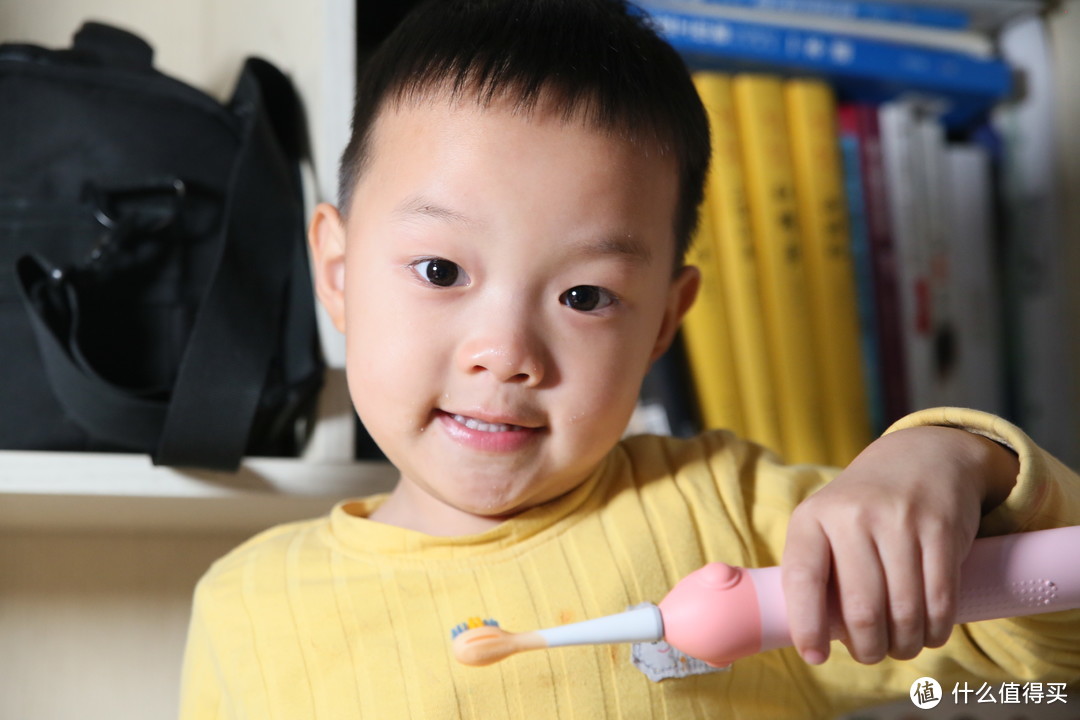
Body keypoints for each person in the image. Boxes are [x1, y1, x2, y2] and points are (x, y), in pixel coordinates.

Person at [178, 1, 1080, 717]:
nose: (506, 354)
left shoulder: (736, 517)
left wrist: (960, 459)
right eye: (441, 270)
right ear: (337, 273)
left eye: (585, 297)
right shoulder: (247, 608)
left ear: (660, 325)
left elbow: (1039, 671)